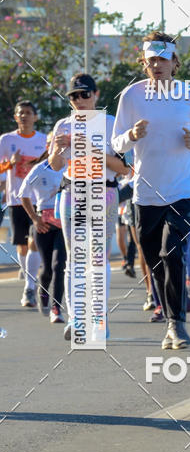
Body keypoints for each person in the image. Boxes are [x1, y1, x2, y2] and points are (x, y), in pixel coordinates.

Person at [111, 31, 190, 349]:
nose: (156, 65)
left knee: (173, 255)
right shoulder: (131, 96)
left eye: (162, 59)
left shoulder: (189, 92)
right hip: (145, 192)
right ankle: (168, 313)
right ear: (144, 63)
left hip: (183, 189)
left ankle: (177, 324)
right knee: (155, 261)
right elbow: (116, 143)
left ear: (174, 62)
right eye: (150, 60)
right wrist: (131, 134)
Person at [49, 74, 123, 340]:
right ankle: (76, 319)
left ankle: (99, 319)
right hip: (73, 192)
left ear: (96, 95)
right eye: (74, 96)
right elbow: (56, 166)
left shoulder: (112, 124)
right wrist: (58, 150)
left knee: (98, 259)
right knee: (75, 259)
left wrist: (89, 147)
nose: (79, 100)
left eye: (84, 94)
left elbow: (124, 167)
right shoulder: (63, 125)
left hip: (104, 192)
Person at [0, 100, 46, 306]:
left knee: (33, 240)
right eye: (21, 113)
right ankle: (28, 273)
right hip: (16, 199)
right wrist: (11, 163)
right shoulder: (6, 140)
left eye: (29, 112)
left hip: (39, 199)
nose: (25, 116)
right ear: (16, 117)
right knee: (22, 245)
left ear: (35, 117)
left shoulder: (44, 140)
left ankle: (29, 287)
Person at [18, 137, 66, 322]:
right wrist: (35, 219)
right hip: (44, 222)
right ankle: (43, 293)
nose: (62, 147)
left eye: (66, 144)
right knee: (47, 269)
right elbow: (23, 194)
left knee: (58, 265)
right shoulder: (40, 169)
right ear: (49, 147)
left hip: (65, 222)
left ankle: (56, 308)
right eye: (58, 143)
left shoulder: (72, 168)